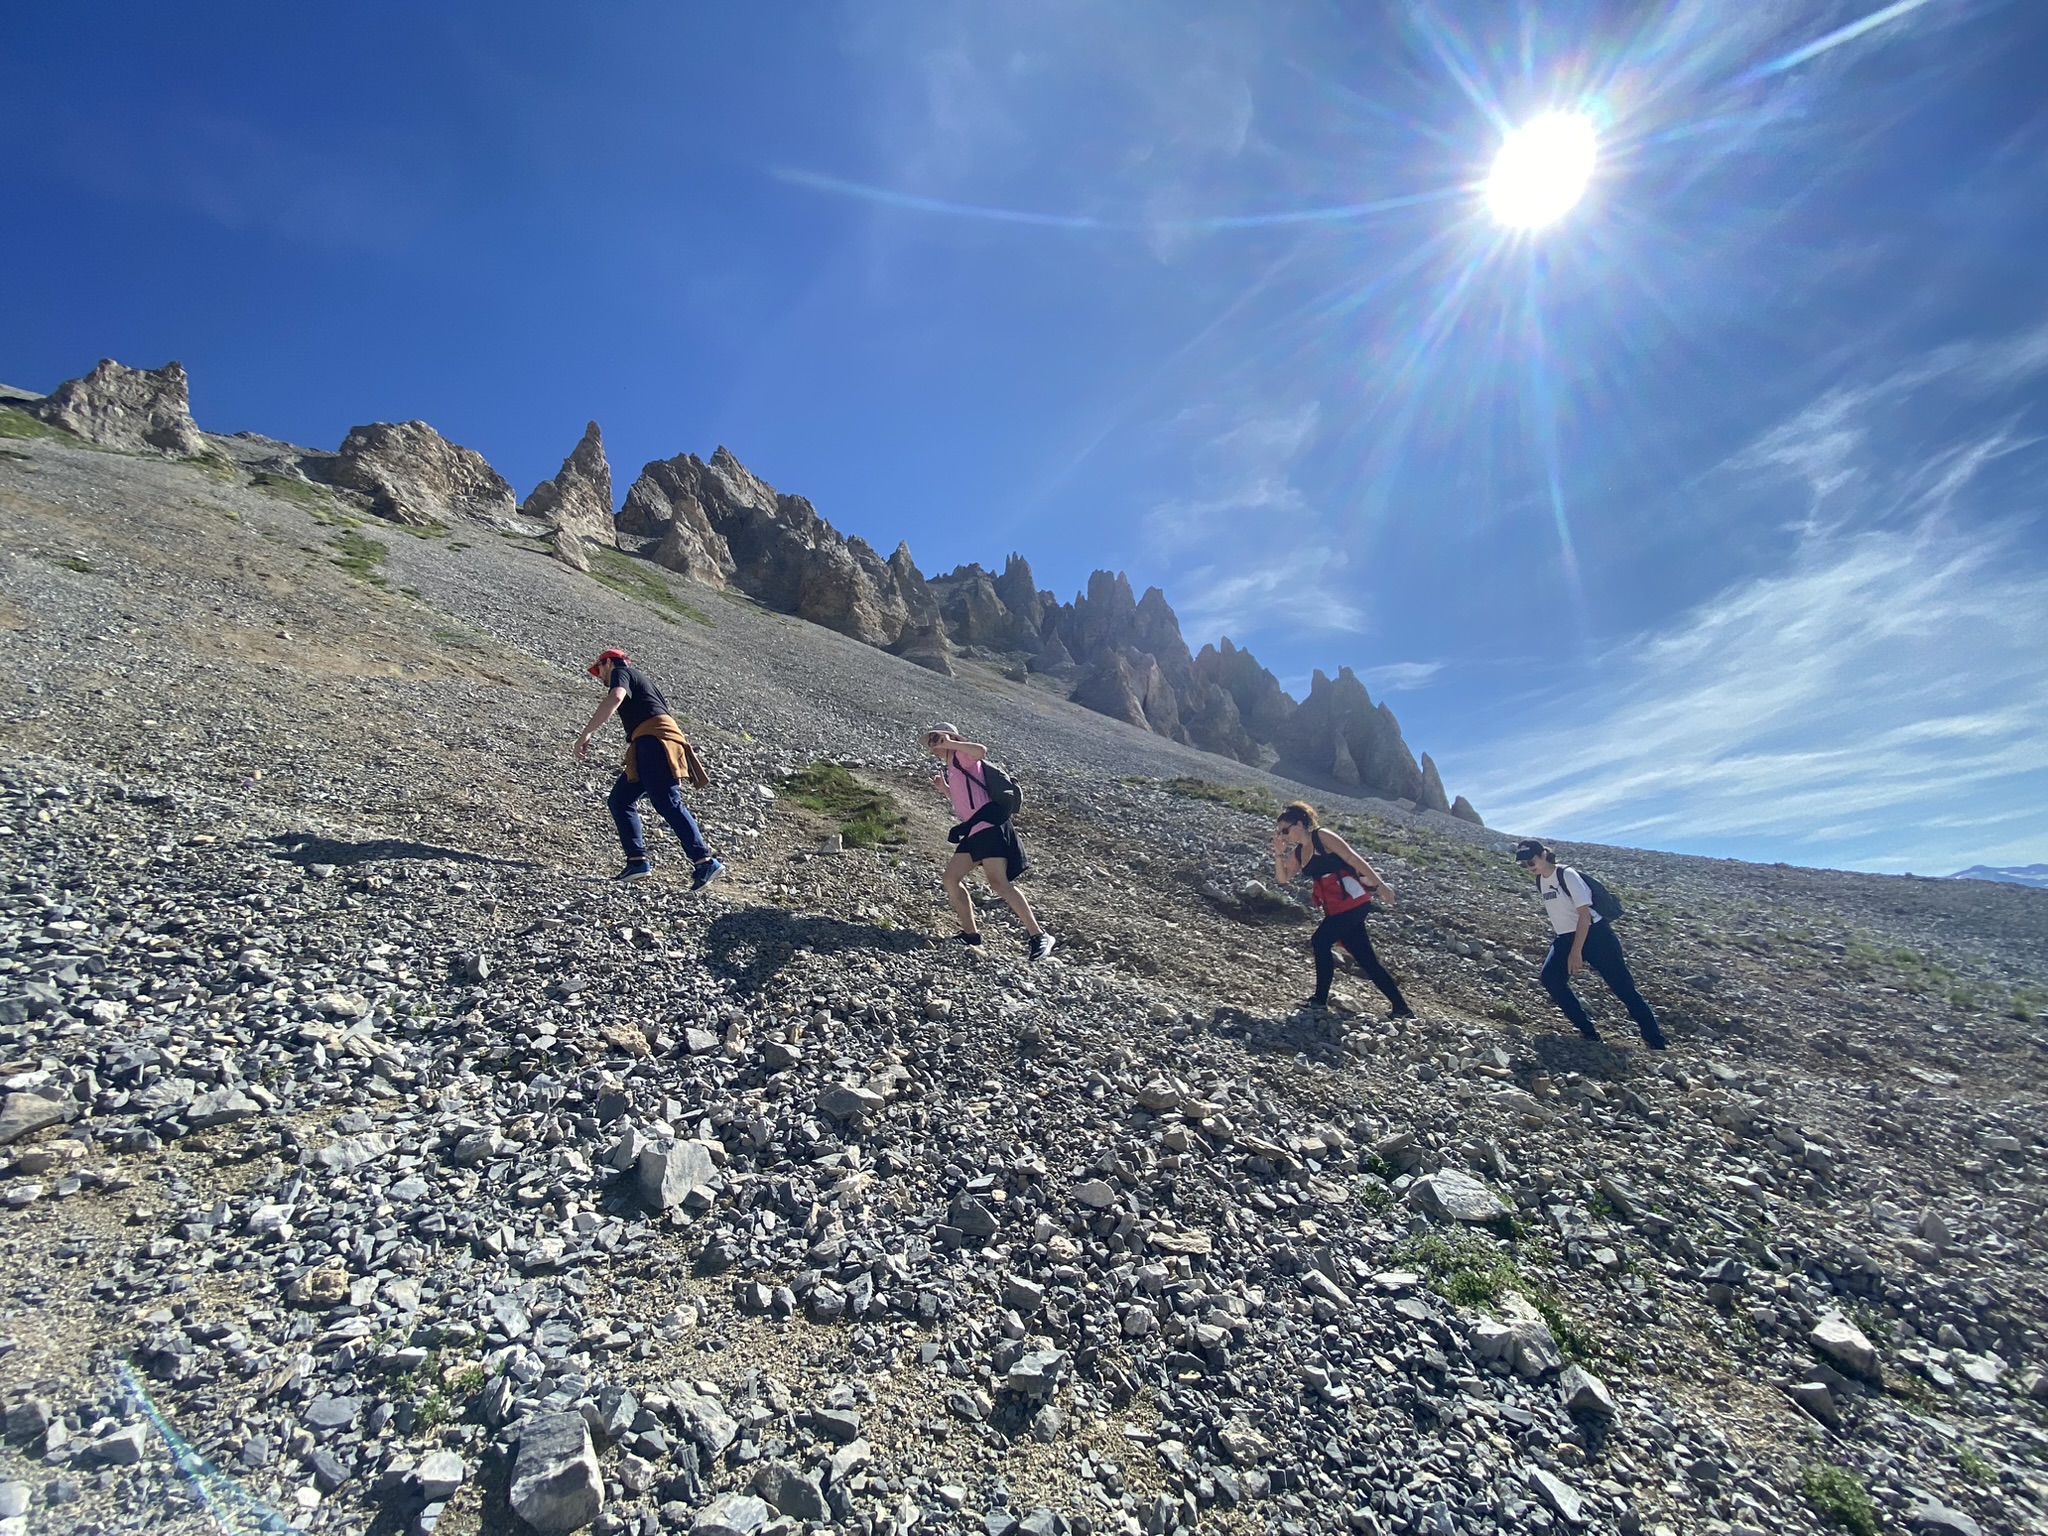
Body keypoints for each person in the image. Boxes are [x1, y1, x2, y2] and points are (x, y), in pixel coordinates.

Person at [573, 648, 725, 888]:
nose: (599, 676)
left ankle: (704, 861)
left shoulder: (621, 672)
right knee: (620, 800)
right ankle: (637, 862)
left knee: (667, 802)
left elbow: (615, 697)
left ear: (609, 663)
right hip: (650, 743)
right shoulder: (642, 681)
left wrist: (586, 734)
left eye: (599, 669)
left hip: (653, 743)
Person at [1513, 839, 1665, 1049]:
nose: (1529, 868)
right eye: (1523, 865)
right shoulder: (1540, 880)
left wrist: (1576, 952)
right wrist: (1571, 947)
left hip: (1596, 936)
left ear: (1544, 856)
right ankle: (1588, 1032)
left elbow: (1584, 916)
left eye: (1531, 862)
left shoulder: (1567, 875)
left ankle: (1655, 1042)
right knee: (1550, 978)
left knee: (1622, 987)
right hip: (1565, 937)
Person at [923, 724, 1055, 960]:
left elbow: (981, 751)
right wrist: (944, 789)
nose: (934, 745)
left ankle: (1039, 935)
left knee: (999, 884)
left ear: (950, 737)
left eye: (937, 739)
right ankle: (971, 934)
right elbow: (964, 800)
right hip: (975, 830)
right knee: (951, 879)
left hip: (989, 827)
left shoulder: (962, 754)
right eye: (932, 740)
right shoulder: (953, 766)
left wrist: (951, 742)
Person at [1272, 801, 1413, 1018]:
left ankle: (1319, 1000)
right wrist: (1279, 853)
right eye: (1280, 831)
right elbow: (1283, 879)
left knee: (1320, 941)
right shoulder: (1299, 852)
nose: (1283, 835)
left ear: (1299, 824)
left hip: (1352, 901)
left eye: (1285, 829)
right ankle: (1402, 1008)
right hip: (1337, 907)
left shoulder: (1322, 836)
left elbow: (1352, 857)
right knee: (1366, 958)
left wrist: (1380, 885)